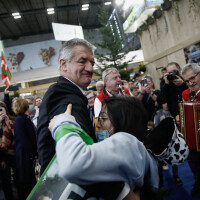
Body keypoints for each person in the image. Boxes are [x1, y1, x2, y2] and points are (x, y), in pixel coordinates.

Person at [37, 38, 128, 200]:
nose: (90, 68)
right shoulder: (65, 98)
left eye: (92, 63)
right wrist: (123, 193)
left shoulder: (66, 93)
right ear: (64, 64)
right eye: (82, 61)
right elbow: (82, 160)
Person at [49, 96, 159, 199]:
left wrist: (62, 124)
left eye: (104, 118)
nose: (98, 124)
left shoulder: (127, 142)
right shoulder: (137, 151)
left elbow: (73, 165)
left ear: (122, 122)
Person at [158, 62, 188, 186]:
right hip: (175, 121)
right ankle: (176, 175)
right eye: (169, 73)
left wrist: (183, 84)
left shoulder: (186, 80)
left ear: (180, 70)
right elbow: (160, 100)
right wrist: (166, 84)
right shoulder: (167, 84)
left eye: (174, 71)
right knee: (175, 148)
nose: (172, 75)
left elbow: (192, 94)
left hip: (190, 119)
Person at [13, 99, 37, 200]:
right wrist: (34, 154)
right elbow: (24, 139)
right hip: (25, 156)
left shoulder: (25, 118)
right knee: (26, 183)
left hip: (27, 154)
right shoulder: (19, 119)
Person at [181, 63, 200, 196]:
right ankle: (198, 182)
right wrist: (180, 117)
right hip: (192, 138)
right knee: (194, 162)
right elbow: (185, 113)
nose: (191, 83)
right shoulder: (185, 93)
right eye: (187, 81)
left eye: (193, 78)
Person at [0, 102, 16, 200]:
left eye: (2, 109)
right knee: (5, 182)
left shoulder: (12, 121)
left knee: (15, 180)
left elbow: (17, 137)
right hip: (2, 156)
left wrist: (8, 124)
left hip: (13, 154)